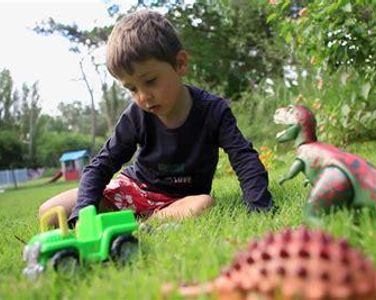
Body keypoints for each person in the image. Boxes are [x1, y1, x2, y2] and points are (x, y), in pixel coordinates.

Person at [38, 9, 273, 228]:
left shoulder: (213, 111)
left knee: (203, 204)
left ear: (180, 64)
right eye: (131, 88)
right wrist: (83, 212)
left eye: (150, 81)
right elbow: (101, 165)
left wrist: (259, 207)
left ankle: (144, 224)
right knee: (49, 211)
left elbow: (244, 158)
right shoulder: (135, 116)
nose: (142, 96)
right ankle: (128, 218)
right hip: (133, 190)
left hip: (181, 200)